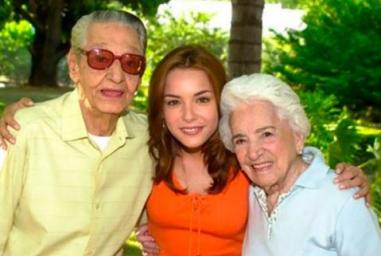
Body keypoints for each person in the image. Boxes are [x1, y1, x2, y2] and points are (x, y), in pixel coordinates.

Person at [0, 46, 371, 256]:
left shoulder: (246, 163)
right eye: (174, 102)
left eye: (203, 99)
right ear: (161, 108)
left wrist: (340, 174)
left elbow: (285, 156)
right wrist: (21, 114)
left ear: (221, 103)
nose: (189, 116)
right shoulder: (145, 156)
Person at [0, 10, 154, 255]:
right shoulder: (24, 131)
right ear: (74, 66)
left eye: (131, 62)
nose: (116, 76)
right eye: (100, 58)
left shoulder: (150, 140)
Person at [218, 73, 381, 255]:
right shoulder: (248, 193)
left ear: (298, 136)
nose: (254, 152)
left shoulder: (342, 199)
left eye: (267, 134)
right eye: (241, 140)